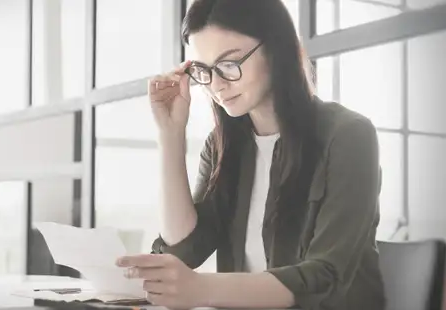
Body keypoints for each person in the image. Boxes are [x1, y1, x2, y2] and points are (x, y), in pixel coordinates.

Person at [114, 0, 385, 309]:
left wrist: (201, 288)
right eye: (205, 70)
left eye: (229, 64)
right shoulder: (222, 146)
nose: (216, 85)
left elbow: (324, 278)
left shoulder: (349, 135)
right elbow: (184, 251)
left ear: (276, 50)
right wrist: (170, 135)